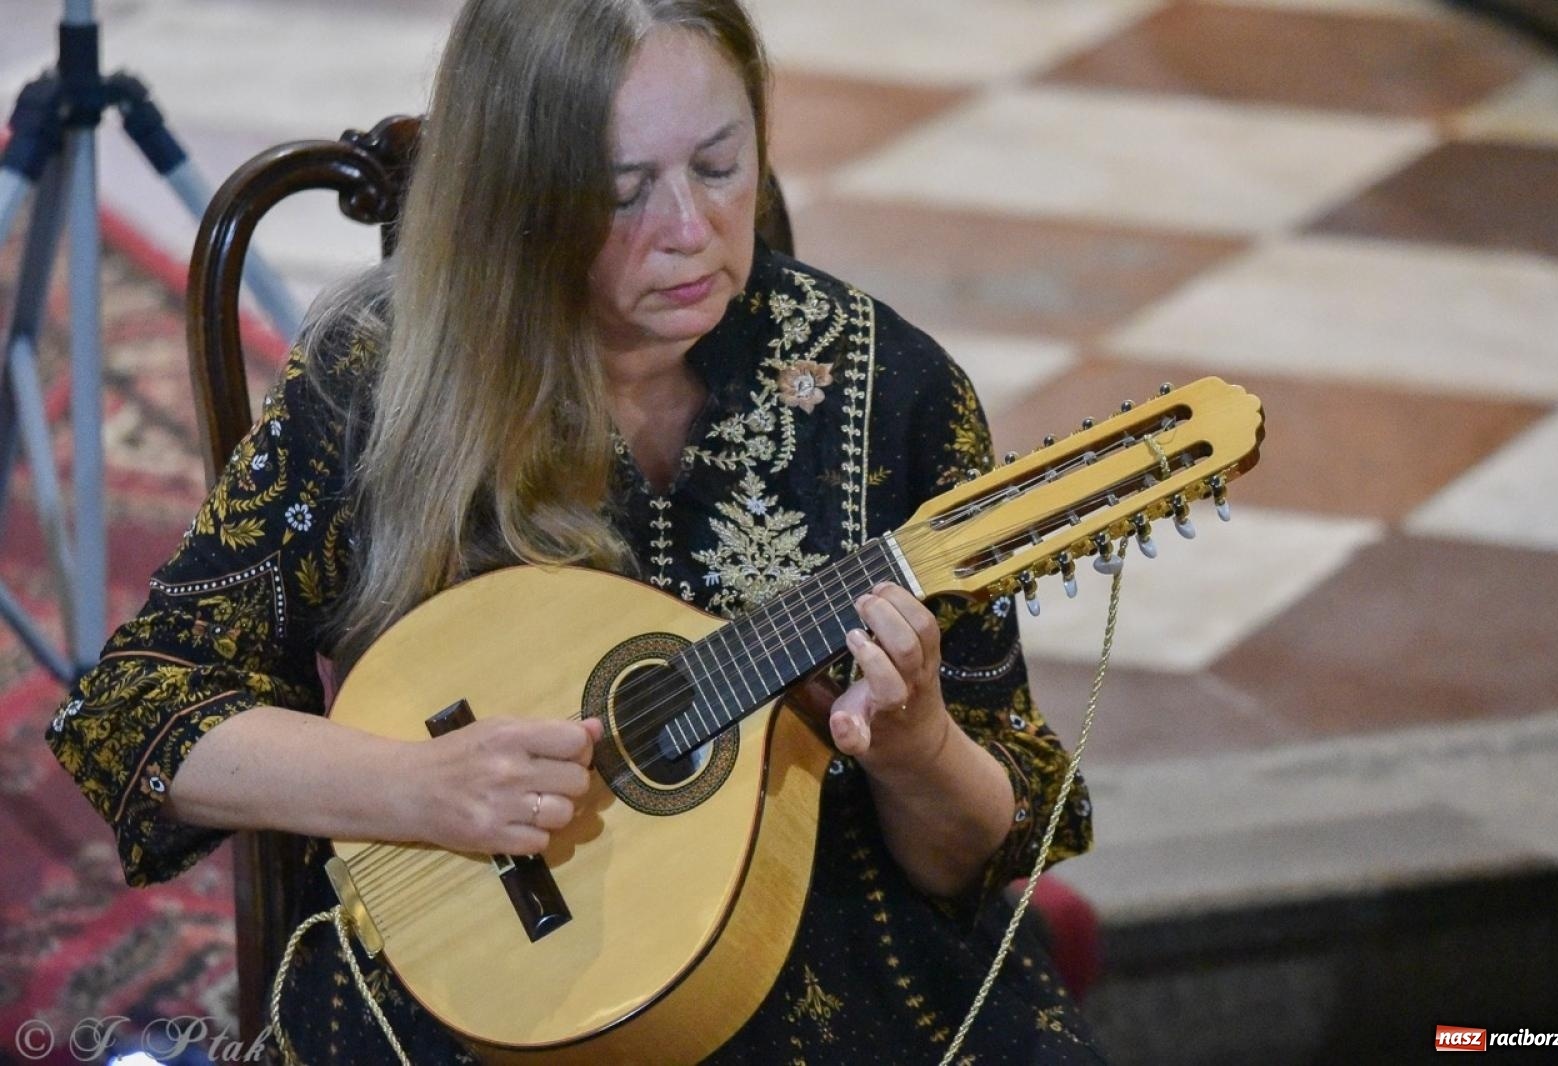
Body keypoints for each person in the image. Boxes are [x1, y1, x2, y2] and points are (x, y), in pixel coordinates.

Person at [47, 0, 1102, 1061]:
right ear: (517, 193)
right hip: (482, 981)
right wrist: (420, 788)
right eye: (621, 191)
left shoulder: (891, 387)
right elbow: (133, 714)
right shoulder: (376, 380)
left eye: (720, 166)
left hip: (838, 951)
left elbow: (974, 855)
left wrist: (919, 748)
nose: (688, 228)